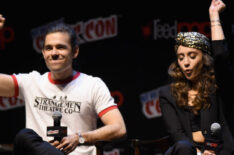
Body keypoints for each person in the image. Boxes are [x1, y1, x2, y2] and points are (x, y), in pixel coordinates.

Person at [0, 15, 126, 155]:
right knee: (25, 137)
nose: (53, 53)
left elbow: (119, 128)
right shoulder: (31, 82)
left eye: (60, 47)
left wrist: (80, 138)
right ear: (43, 52)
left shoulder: (92, 85)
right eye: (48, 48)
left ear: (75, 51)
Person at [159, 0, 234, 154]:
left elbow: (220, 55)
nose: (185, 62)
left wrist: (214, 16)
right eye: (181, 57)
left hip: (217, 151)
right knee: (184, 147)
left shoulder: (215, 86)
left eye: (192, 56)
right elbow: (176, 134)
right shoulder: (168, 94)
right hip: (186, 151)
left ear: (204, 58)